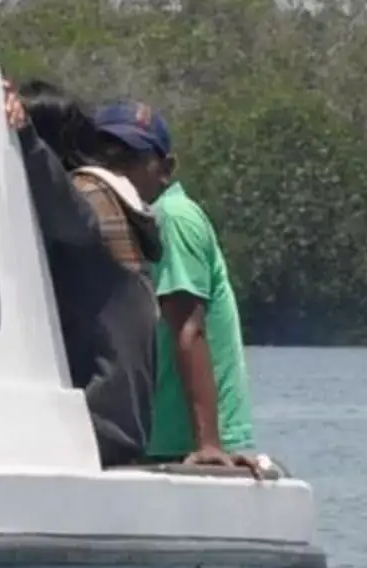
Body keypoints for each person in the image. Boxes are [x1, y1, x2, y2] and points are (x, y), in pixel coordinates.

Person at [86, 100, 269, 476]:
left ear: (166, 168)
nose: (117, 168)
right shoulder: (129, 222)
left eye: (131, 156)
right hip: (159, 435)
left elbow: (189, 327)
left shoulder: (170, 218)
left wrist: (207, 445)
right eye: (106, 155)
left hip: (178, 442)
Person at [4, 81, 157, 466]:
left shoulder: (87, 199)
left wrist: (24, 139)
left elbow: (63, 209)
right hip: (115, 425)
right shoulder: (109, 198)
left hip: (94, 424)